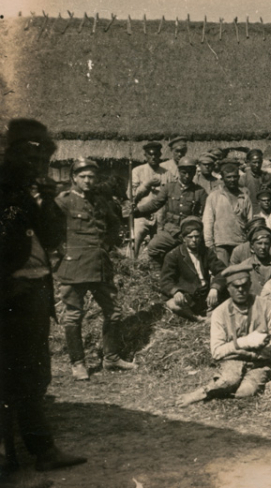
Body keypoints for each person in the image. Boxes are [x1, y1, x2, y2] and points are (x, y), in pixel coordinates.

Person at [0, 119, 86, 475]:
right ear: (16, 155)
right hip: (8, 294)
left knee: (35, 374)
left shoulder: (29, 193)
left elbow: (51, 239)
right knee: (8, 375)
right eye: (33, 161)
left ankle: (43, 451)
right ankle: (10, 456)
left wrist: (47, 201)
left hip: (35, 293)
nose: (39, 169)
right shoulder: (5, 190)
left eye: (42, 163)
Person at [56, 158, 135, 381]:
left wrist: (108, 246)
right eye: (83, 177)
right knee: (73, 316)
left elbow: (114, 225)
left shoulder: (101, 200)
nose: (88, 181)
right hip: (74, 267)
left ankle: (111, 358)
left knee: (114, 311)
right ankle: (78, 363)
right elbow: (49, 231)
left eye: (91, 177)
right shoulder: (63, 201)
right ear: (74, 178)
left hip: (100, 265)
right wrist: (62, 254)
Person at [177, 263, 271, 406]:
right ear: (228, 288)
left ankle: (253, 384)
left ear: (250, 285)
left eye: (244, 285)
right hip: (233, 360)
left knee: (245, 392)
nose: (241, 290)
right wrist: (243, 343)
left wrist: (260, 353)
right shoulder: (220, 312)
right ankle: (203, 392)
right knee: (230, 380)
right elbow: (216, 352)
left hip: (260, 361)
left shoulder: (265, 306)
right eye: (236, 286)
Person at [137, 157, 207, 264]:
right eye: (184, 173)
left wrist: (194, 229)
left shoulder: (200, 192)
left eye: (190, 173)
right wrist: (137, 211)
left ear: (194, 173)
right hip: (171, 231)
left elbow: (205, 214)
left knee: (195, 256)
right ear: (179, 171)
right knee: (153, 247)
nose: (187, 176)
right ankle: (163, 270)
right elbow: (155, 204)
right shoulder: (169, 188)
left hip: (190, 233)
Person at [161, 217, 226, 321]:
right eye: (190, 237)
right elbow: (166, 281)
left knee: (231, 292)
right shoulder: (173, 255)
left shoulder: (206, 252)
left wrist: (215, 288)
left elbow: (222, 271)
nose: (194, 240)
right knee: (173, 304)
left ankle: (210, 313)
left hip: (205, 294)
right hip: (188, 296)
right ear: (183, 238)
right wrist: (176, 292)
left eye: (197, 237)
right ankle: (197, 318)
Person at [203, 160, 253, 265]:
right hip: (220, 244)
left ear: (239, 177)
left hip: (240, 243)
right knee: (221, 273)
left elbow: (250, 221)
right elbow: (208, 221)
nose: (232, 180)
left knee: (241, 275)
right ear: (222, 178)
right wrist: (209, 244)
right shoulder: (214, 196)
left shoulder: (244, 197)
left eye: (235, 177)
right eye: (229, 177)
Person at [130, 142, 170, 258]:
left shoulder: (167, 173)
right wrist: (147, 185)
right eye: (150, 154)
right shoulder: (137, 171)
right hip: (141, 214)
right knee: (135, 241)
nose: (153, 157)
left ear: (160, 155)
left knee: (158, 245)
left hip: (160, 215)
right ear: (145, 155)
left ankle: (155, 270)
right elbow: (132, 195)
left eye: (156, 154)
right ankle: (131, 267)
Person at [229, 226, 271, 295]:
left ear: (270, 245)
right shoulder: (243, 267)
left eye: (266, 243)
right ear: (252, 246)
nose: (263, 247)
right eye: (259, 243)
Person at [240, 149, 271, 214]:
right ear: (249, 162)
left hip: (265, 212)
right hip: (250, 212)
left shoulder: (266, 176)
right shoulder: (243, 178)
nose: (257, 165)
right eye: (254, 162)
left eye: (259, 162)